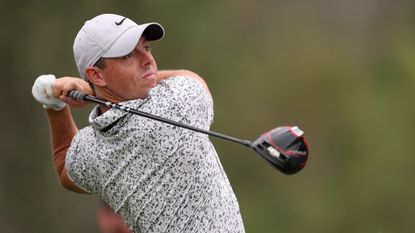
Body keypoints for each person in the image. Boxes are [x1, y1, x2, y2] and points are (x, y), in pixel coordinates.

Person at [31, 13, 245, 233]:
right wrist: (89, 90)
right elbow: (189, 77)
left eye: (146, 48)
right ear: (96, 75)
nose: (148, 60)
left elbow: (64, 165)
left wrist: (54, 105)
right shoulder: (179, 104)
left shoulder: (92, 151)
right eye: (127, 55)